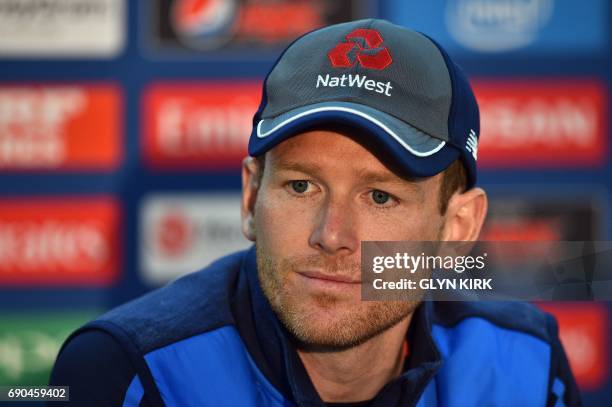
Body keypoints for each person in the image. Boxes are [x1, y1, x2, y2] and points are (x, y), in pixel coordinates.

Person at [48, 19, 580, 406]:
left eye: (380, 197)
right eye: (302, 186)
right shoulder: (124, 374)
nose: (332, 235)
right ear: (252, 197)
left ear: (457, 229)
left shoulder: (527, 370)